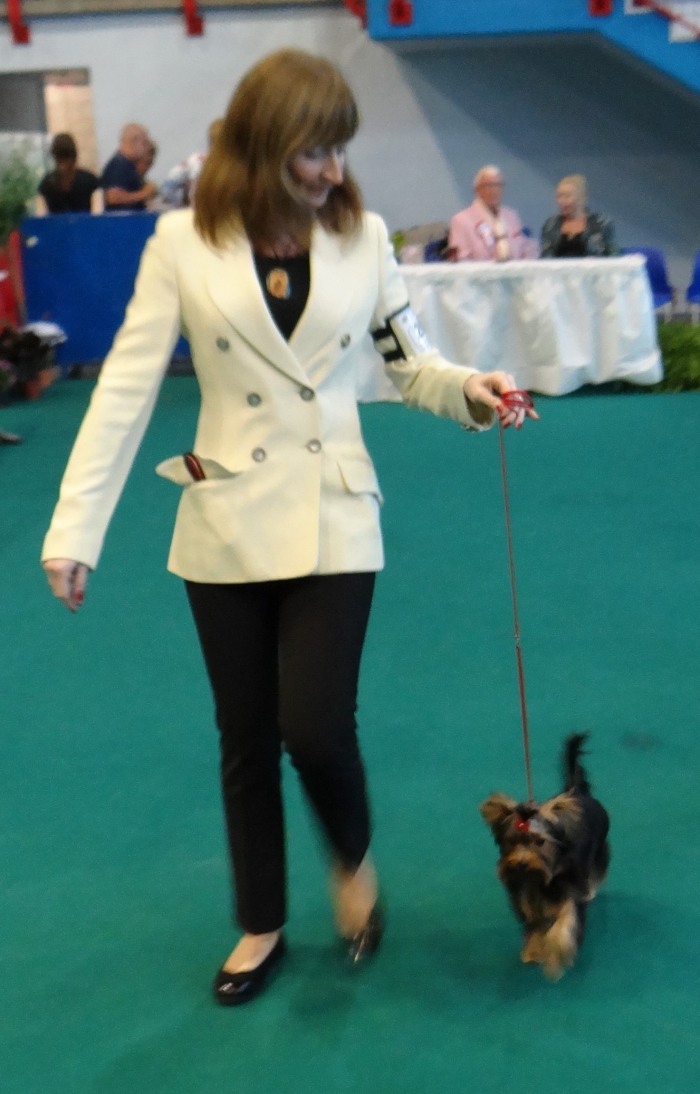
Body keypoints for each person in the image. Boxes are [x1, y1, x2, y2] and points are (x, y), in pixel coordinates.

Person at [41, 50, 537, 1008]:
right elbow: (124, 391)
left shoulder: (366, 238)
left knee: (315, 728)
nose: (333, 171)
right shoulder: (181, 243)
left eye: (341, 150)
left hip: (334, 511)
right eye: (315, 151)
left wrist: (470, 389)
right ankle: (260, 921)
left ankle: (353, 861)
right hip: (223, 519)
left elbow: (409, 362)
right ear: (263, 147)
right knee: (245, 737)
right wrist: (75, 528)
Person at [448, 166, 532, 262]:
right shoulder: (461, 220)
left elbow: (526, 249)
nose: (495, 190)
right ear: (477, 189)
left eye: (498, 185)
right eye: (489, 186)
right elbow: (460, 260)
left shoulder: (511, 215)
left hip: (516, 269)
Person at [540, 175, 618, 258]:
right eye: (559, 196)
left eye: (567, 196)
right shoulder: (550, 224)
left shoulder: (600, 223)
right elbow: (546, 256)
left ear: (582, 198)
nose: (561, 201)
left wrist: (594, 261)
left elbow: (610, 254)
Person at [160, 119, 224, 209]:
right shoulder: (238, 165)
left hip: (197, 210)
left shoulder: (194, 160)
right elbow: (167, 188)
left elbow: (167, 188)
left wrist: (181, 205)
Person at [36, 133, 101, 215]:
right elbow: (41, 217)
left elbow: (97, 216)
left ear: (74, 159)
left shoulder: (91, 182)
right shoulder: (47, 185)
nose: (63, 166)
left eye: (66, 158)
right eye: (59, 159)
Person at [101, 124, 158, 212]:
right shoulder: (119, 165)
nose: (146, 147)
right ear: (134, 141)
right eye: (144, 143)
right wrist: (144, 193)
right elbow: (112, 197)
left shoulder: (127, 165)